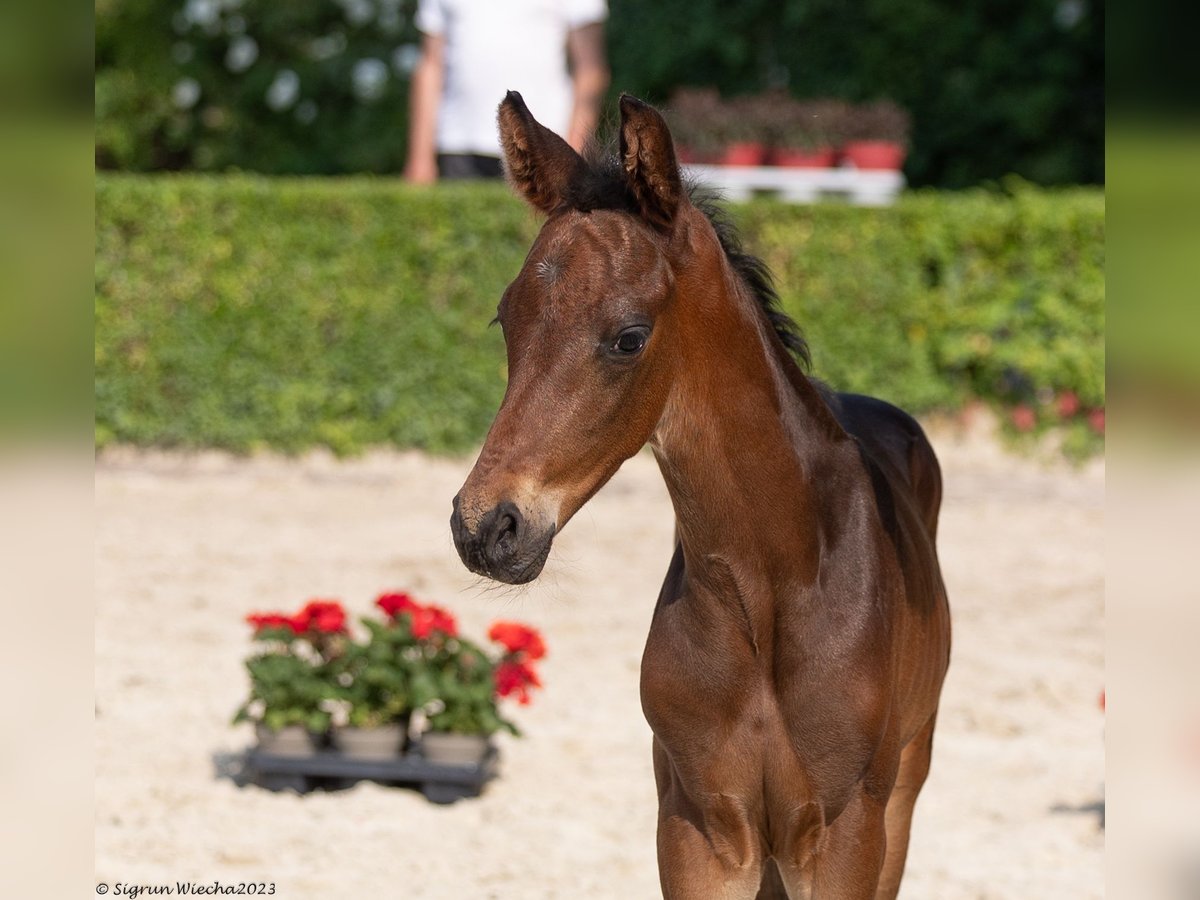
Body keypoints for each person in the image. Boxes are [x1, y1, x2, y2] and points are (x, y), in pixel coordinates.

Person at [403, 0, 609, 183]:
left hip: (541, 144)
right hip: (458, 145)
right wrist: (420, 159)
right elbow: (431, 65)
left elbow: (589, 70)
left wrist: (575, 156)